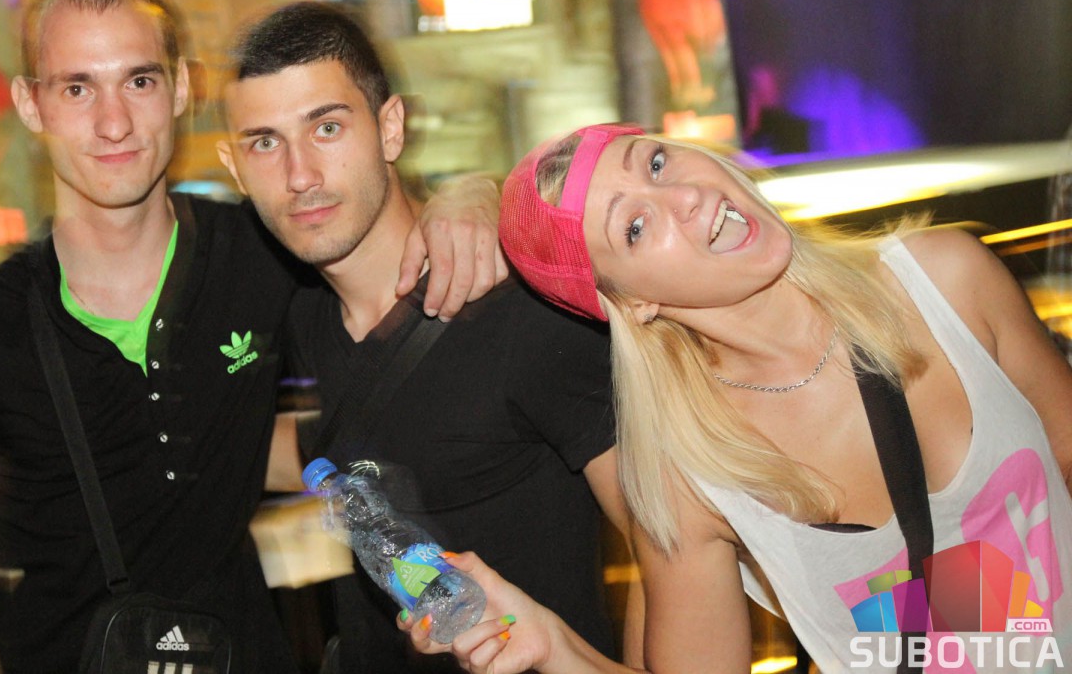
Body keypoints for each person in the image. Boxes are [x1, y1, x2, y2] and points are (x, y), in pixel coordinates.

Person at [0, 0, 501, 674]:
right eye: (77, 88)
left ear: (181, 87)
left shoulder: (263, 252)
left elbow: (382, 237)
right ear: (32, 104)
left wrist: (475, 196)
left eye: (139, 81)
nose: (114, 122)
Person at [406, 123, 1072, 673]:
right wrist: (550, 642)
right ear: (632, 303)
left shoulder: (945, 281)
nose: (684, 197)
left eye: (657, 162)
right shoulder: (687, 477)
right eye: (634, 227)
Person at [217, 5, 634, 673]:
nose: (300, 175)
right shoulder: (298, 313)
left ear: (390, 127)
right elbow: (341, 442)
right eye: (265, 143)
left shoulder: (518, 315)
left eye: (327, 128)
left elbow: (672, 548)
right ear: (234, 168)